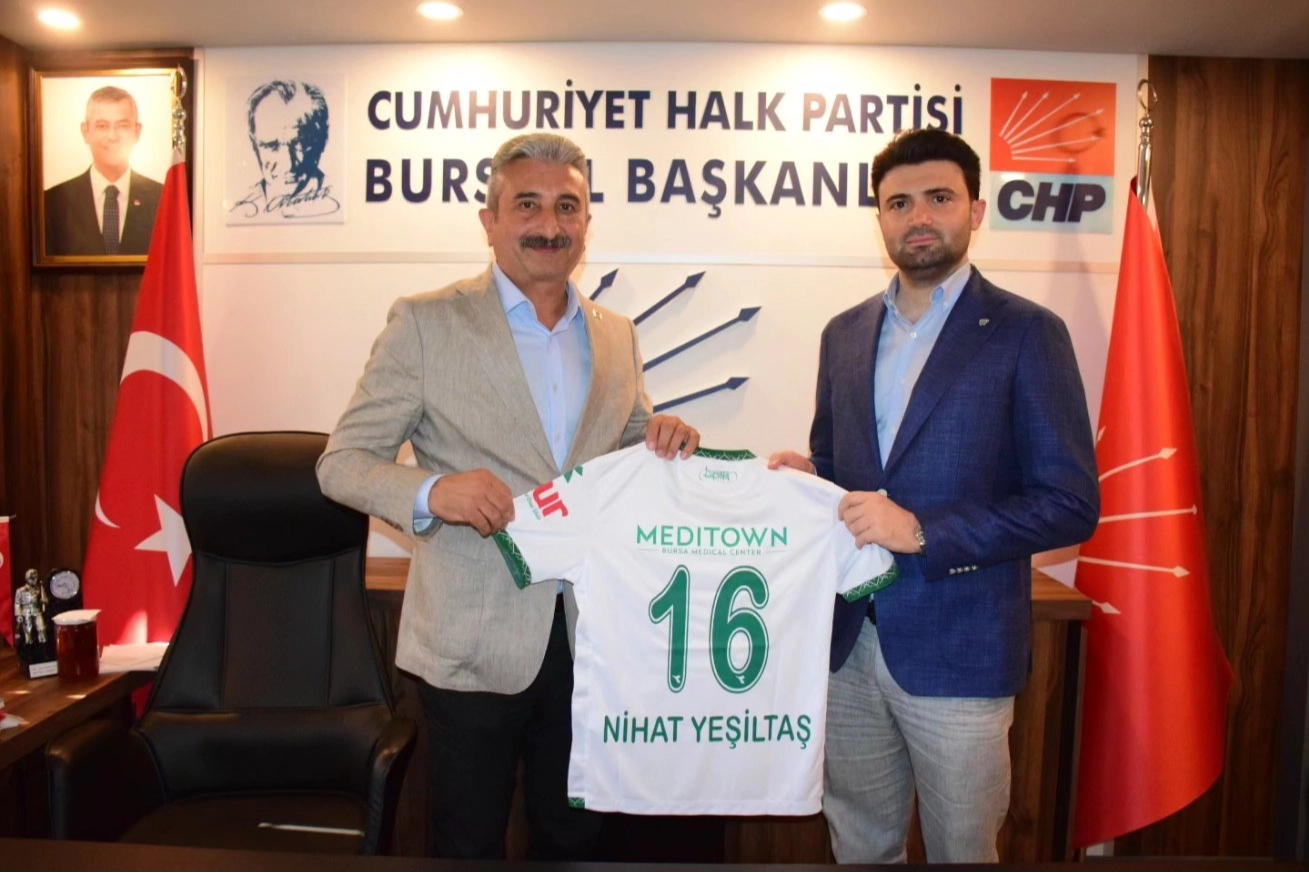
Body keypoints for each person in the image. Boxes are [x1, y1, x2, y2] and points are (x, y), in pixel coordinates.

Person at [317, 132, 699, 861]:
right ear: (489, 220)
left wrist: (664, 434)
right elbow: (341, 463)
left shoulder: (616, 335)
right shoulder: (425, 322)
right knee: (466, 842)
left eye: (567, 207)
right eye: (527, 205)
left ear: (587, 223)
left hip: (590, 640)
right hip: (472, 641)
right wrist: (434, 490)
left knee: (573, 838)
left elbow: (623, 442)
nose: (549, 225)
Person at [769, 128, 1099, 864]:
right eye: (898, 203)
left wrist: (923, 532)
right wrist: (808, 479)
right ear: (880, 219)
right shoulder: (843, 334)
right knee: (861, 845)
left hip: (962, 650)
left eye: (939, 198)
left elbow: (1069, 502)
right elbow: (842, 467)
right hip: (849, 642)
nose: (918, 216)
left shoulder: (1027, 332)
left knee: (962, 851)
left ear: (975, 211)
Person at [43, 86, 162, 256]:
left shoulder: (162, 199)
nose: (112, 136)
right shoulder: (52, 203)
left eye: (123, 126)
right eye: (102, 126)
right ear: (85, 131)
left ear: (137, 131)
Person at [229, 80, 339, 219]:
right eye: (271, 146)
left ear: (322, 140)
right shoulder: (238, 210)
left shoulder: (339, 196)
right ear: (254, 144)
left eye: (299, 145)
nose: (288, 165)